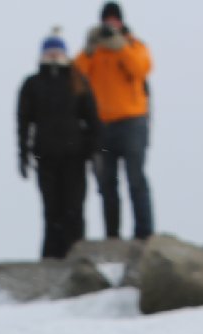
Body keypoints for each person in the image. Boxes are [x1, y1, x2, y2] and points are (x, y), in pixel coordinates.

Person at [18, 28, 101, 260]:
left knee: (74, 209)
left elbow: (93, 120)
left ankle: (76, 257)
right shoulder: (32, 84)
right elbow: (23, 122)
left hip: (75, 157)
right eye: (49, 51)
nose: (54, 55)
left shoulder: (78, 81)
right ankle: (51, 259)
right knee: (51, 211)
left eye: (57, 51)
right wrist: (23, 154)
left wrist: (96, 152)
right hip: (45, 157)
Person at [76, 2, 153, 240]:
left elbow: (140, 69)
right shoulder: (95, 52)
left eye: (114, 20)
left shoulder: (134, 45)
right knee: (107, 185)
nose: (111, 24)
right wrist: (88, 49)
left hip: (132, 122)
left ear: (121, 22)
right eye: (107, 20)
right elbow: (76, 78)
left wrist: (121, 47)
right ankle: (112, 238)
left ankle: (144, 235)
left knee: (135, 179)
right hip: (102, 126)